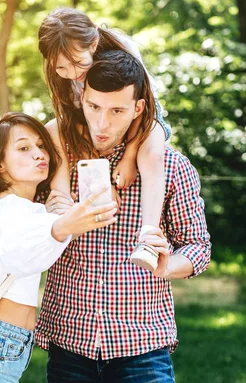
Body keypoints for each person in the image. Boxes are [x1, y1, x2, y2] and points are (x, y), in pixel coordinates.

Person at [35, 50, 212, 383]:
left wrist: (167, 266)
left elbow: (198, 246)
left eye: (117, 111)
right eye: (94, 107)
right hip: (70, 345)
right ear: (81, 98)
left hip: (143, 348)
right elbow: (19, 229)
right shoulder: (53, 162)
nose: (102, 123)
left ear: (138, 108)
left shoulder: (171, 167)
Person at [0, 112, 118, 383]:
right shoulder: (15, 208)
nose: (38, 154)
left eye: (41, 146)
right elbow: (19, 257)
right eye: (24, 148)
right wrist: (62, 227)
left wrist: (58, 220)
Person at [38, 7, 171, 270]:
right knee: (51, 129)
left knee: (153, 155)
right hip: (91, 123)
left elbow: (143, 110)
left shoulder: (122, 52)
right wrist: (100, 176)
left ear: (94, 44)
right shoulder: (63, 74)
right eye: (61, 67)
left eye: (78, 63)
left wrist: (130, 156)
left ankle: (149, 239)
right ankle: (61, 202)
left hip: (142, 118)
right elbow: (73, 120)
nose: (71, 72)